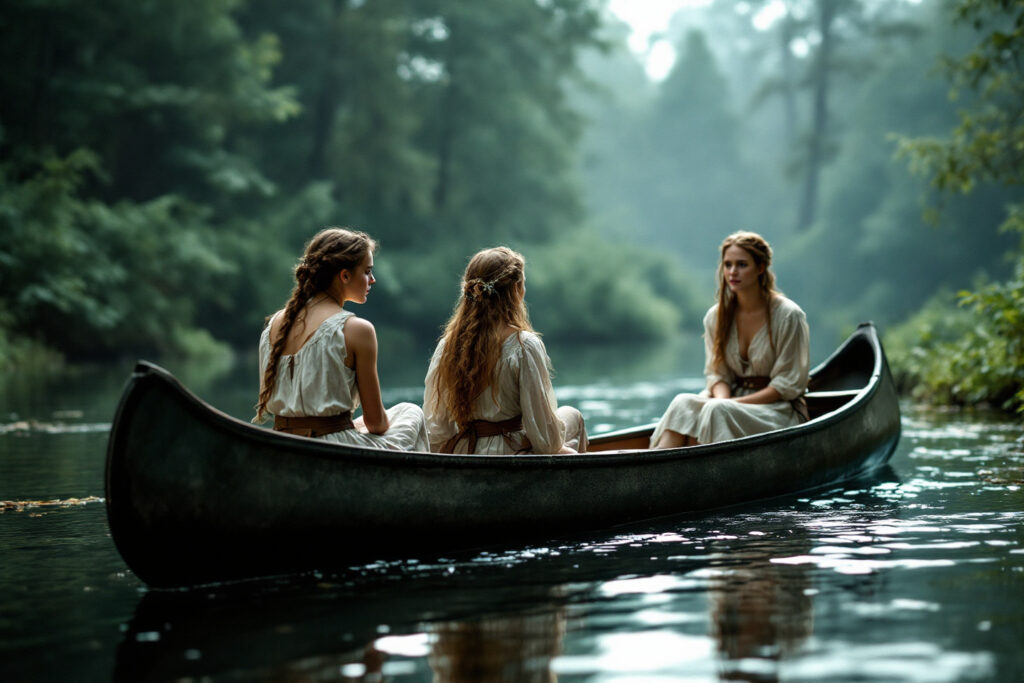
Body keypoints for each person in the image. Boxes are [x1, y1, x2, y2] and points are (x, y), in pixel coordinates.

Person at [254, 227, 428, 451]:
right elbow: (376, 423)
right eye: (367, 272)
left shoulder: (273, 324)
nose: (372, 280)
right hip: (334, 448)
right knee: (410, 411)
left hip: (280, 444)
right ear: (344, 275)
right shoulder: (357, 329)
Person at [650, 231, 809, 448]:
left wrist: (727, 405)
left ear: (760, 268)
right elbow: (718, 374)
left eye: (742, 265)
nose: (733, 271)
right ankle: (658, 472)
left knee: (716, 410)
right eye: (728, 264)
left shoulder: (789, 315)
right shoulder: (716, 317)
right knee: (682, 404)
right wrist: (723, 400)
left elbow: (785, 386)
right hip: (729, 401)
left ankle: (700, 471)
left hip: (776, 409)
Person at [423, 247, 587, 455]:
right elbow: (546, 441)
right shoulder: (523, 345)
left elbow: (437, 431)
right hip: (509, 454)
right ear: (516, 290)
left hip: (463, 452)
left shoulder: (448, 345)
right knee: (574, 417)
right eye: (523, 284)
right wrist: (562, 448)